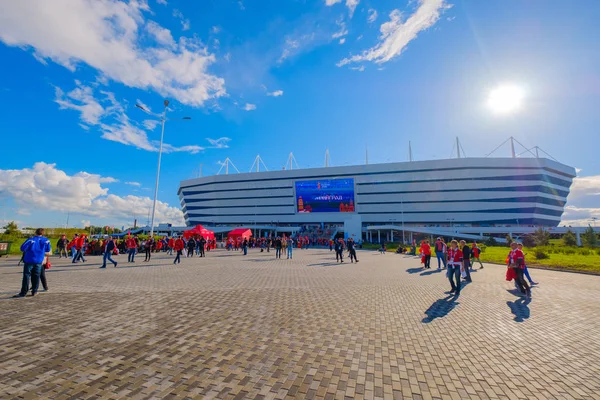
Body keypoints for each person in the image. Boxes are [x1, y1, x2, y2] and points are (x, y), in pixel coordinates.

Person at [13, 228, 51, 298]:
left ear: (35, 232)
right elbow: (48, 249)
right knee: (36, 276)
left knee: (26, 276)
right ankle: (34, 291)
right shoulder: (46, 240)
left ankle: (23, 292)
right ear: (43, 233)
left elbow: (22, 248)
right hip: (39, 260)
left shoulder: (31, 239)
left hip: (29, 260)